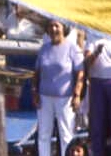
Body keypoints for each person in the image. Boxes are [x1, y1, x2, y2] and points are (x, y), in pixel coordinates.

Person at [32, 19, 84, 156]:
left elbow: (80, 73)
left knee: (66, 134)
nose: (53, 29)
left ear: (64, 29)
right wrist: (35, 92)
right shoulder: (44, 48)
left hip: (65, 98)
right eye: (50, 26)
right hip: (44, 97)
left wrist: (77, 94)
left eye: (57, 26)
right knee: (44, 134)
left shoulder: (72, 48)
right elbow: (37, 72)